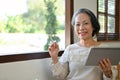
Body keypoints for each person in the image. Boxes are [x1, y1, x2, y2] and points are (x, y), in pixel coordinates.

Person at [48, 8, 112, 80]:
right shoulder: (70, 49)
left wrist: (108, 73)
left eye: (86, 23)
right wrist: (54, 58)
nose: (81, 28)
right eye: (77, 24)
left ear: (93, 26)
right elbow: (61, 76)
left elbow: (111, 77)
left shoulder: (104, 49)